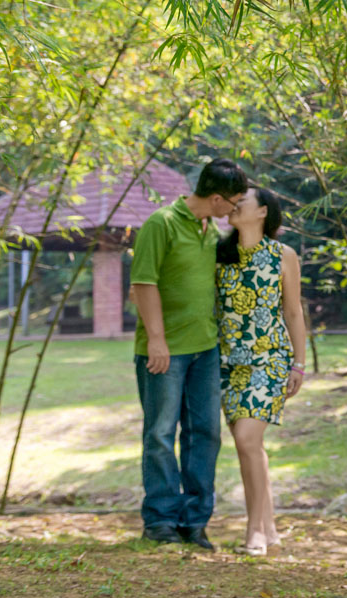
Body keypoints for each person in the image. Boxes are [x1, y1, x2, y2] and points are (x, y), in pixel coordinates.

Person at [131, 158, 248, 550]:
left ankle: (194, 521)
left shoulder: (210, 231)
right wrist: (157, 340)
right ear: (216, 199)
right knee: (161, 434)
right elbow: (143, 284)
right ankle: (160, 520)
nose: (233, 211)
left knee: (205, 434)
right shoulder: (161, 223)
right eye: (232, 204)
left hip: (206, 350)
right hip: (165, 352)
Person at [215, 186, 306, 556]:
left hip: (269, 361)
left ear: (263, 211)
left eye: (242, 202)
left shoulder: (283, 255)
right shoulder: (219, 254)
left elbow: (294, 312)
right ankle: (269, 527)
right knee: (249, 449)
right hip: (227, 365)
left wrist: (298, 363)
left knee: (248, 441)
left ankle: (254, 531)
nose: (234, 206)